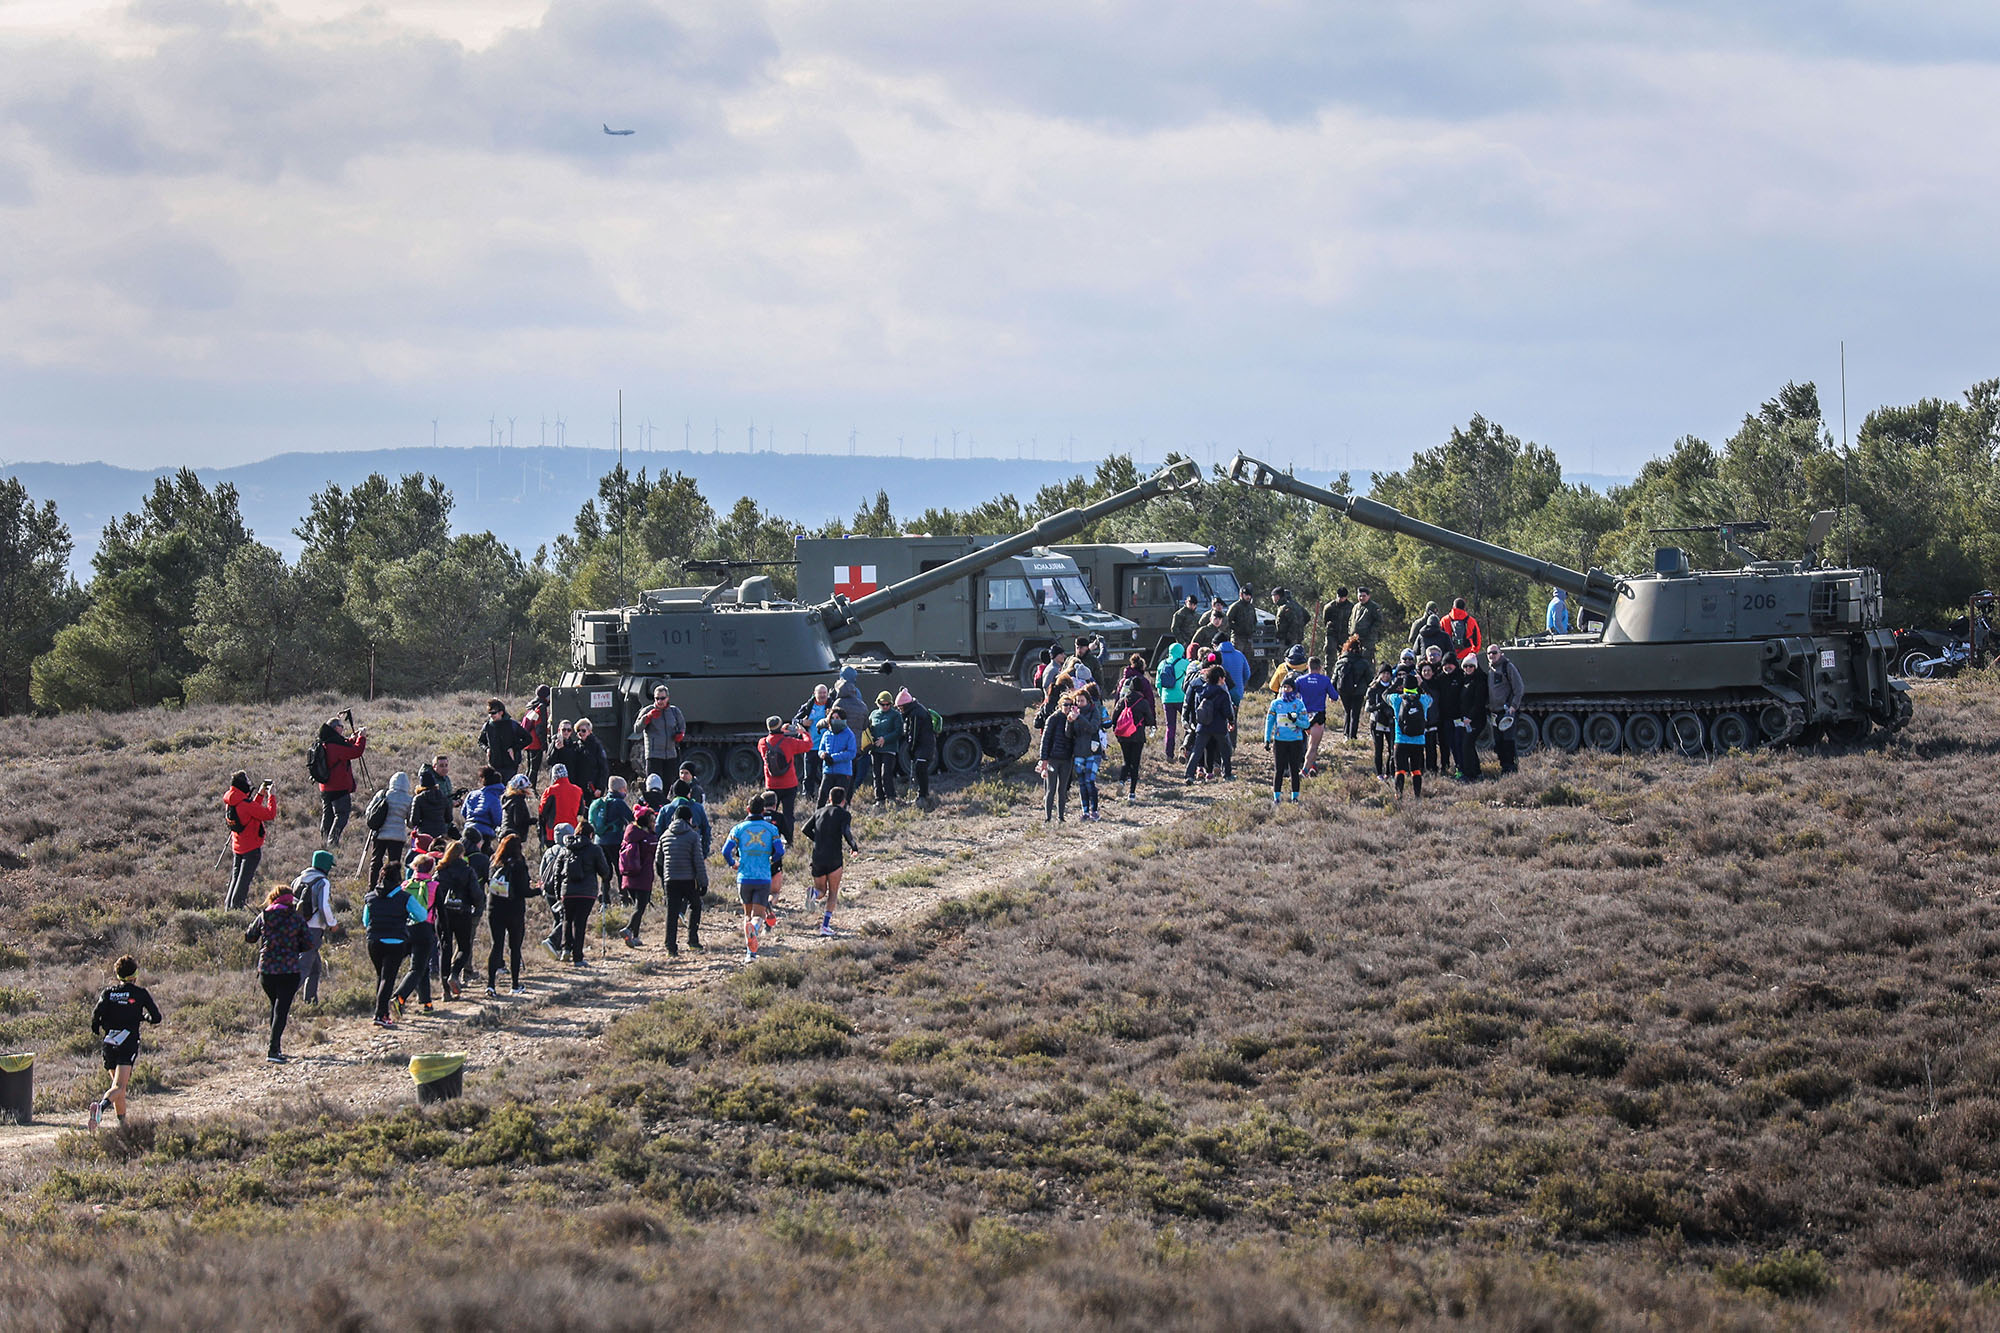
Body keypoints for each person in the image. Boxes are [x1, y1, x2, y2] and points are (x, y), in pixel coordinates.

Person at [88, 955, 160, 1128]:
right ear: (135, 974)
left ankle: (123, 1125)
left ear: (117, 975)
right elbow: (156, 1017)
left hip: (109, 1043)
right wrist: (144, 1017)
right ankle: (101, 1107)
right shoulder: (140, 994)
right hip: (127, 1043)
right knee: (119, 1086)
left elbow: (95, 1017)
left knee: (118, 1087)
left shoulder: (109, 993)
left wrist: (98, 1027)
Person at [243, 881, 309, 1063]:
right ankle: (273, 1051)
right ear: (291, 901)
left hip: (267, 970)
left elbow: (249, 937)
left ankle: (276, 1047)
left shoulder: (264, 915)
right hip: (289, 970)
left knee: (276, 1006)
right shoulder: (296, 918)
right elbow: (308, 943)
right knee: (281, 1009)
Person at [723, 800, 785, 963]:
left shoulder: (738, 828)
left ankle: (749, 954)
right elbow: (780, 850)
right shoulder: (771, 829)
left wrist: (733, 863)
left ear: (748, 809)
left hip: (744, 877)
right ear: (763, 811)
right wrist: (772, 859)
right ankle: (755, 931)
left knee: (747, 915)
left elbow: (725, 850)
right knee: (759, 915)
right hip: (763, 877)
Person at [362, 870, 425, 1028]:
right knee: (388, 979)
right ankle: (381, 1015)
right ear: (399, 880)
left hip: (374, 942)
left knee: (381, 977)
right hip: (395, 942)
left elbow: (365, 921)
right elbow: (422, 916)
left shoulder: (370, 897)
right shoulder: (404, 897)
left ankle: (380, 1011)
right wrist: (408, 917)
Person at [801, 789, 860, 936]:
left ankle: (813, 894)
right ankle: (825, 926)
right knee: (833, 893)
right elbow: (846, 831)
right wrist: (854, 846)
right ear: (843, 801)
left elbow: (805, 829)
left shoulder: (819, 812)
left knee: (821, 891)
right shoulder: (844, 814)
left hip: (818, 857)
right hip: (834, 857)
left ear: (829, 798)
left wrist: (818, 840)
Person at [654, 799, 708, 956]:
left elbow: (658, 860)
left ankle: (670, 946)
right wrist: (703, 883)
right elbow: (698, 861)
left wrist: (664, 877)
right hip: (688, 880)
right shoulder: (692, 836)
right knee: (696, 905)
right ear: (689, 819)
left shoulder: (664, 835)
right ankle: (693, 940)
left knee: (671, 913)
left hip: (670, 880)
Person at [435, 839, 485, 998]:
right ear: (461, 854)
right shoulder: (468, 871)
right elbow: (477, 894)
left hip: (443, 915)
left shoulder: (440, 871)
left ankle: (445, 991)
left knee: (445, 949)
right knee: (464, 947)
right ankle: (454, 974)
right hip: (462, 914)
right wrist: (477, 908)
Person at [391, 855, 441, 1015]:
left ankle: (426, 1003)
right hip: (424, 930)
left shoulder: (405, 885)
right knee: (417, 968)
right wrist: (442, 932)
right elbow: (442, 912)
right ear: (431, 868)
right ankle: (399, 998)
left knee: (422, 965)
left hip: (406, 928)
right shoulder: (434, 885)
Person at [222, 770, 278, 911]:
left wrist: (260, 794)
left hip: (238, 846)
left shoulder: (231, 800)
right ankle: (236, 910)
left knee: (235, 879)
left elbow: (251, 812)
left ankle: (228, 908)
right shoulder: (245, 804)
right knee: (243, 882)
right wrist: (272, 796)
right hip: (251, 849)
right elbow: (269, 814)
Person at [558, 822, 611, 966]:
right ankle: (578, 957)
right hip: (586, 892)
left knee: (567, 920)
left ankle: (565, 950)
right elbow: (604, 871)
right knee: (580, 924)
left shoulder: (565, 849)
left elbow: (558, 872)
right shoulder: (594, 849)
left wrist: (559, 893)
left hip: (567, 891)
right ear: (591, 835)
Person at [485, 833, 531, 995]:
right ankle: (515, 985)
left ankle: (490, 984)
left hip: (494, 909)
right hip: (514, 910)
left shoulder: (494, 863)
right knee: (515, 948)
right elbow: (524, 891)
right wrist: (539, 889)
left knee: (496, 946)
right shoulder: (519, 865)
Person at [314, 714, 368, 847]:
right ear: (335, 728)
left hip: (325, 787)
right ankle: (333, 842)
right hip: (339, 787)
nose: (343, 729)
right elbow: (356, 752)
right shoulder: (335, 745)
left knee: (328, 815)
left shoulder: (325, 742)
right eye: (341, 726)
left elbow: (344, 746)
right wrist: (362, 738)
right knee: (342, 814)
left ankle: (324, 841)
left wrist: (352, 739)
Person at [294, 849, 338, 1005]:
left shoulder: (298, 879)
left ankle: (311, 1002)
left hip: (296, 927)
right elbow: (324, 906)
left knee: (315, 967)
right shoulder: (323, 882)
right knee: (305, 967)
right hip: (313, 929)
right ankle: (285, 999)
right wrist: (332, 924)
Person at [760, 717, 814, 833]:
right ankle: (788, 839)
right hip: (789, 784)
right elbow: (808, 745)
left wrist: (780, 731)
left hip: (771, 785)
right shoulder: (789, 742)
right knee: (788, 814)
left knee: (769, 813)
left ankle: (768, 836)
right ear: (780, 727)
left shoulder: (762, 743)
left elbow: (773, 739)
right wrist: (803, 732)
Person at [1183, 664, 1235, 782]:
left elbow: (1196, 709)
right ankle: (1227, 774)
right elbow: (1227, 712)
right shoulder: (1223, 694)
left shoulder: (1200, 691)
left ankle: (1189, 775)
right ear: (1220, 678)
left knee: (1197, 751)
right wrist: (1231, 721)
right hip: (1219, 727)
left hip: (1203, 726)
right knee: (1225, 750)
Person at [1264, 677, 1310, 803]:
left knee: (1294, 770)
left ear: (1294, 689)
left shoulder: (1299, 704)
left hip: (1296, 741)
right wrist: (1267, 739)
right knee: (1278, 770)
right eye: (1284, 687)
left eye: (1288, 687)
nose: (1286, 689)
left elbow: (1306, 724)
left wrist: (1296, 721)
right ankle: (1276, 798)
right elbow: (1269, 721)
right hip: (1279, 741)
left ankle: (1295, 797)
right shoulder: (1275, 704)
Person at [365, 771, 413, 891]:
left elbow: (369, 811)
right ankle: (393, 888)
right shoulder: (409, 799)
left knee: (376, 862)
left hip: (380, 834)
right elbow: (411, 822)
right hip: (398, 837)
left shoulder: (383, 794)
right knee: (394, 864)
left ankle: (372, 887)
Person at [618, 808, 659, 946]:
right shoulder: (647, 838)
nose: (654, 822)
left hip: (628, 877)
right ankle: (628, 929)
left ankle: (634, 937)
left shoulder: (630, 834)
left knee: (637, 906)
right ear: (646, 822)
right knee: (640, 907)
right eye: (652, 820)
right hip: (643, 877)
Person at [1486, 644, 1526, 775]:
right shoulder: (1490, 670)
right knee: (1498, 742)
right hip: (1495, 712)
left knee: (1508, 741)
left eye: (1494, 652)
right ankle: (1504, 766)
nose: (1492, 655)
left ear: (1500, 653)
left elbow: (1519, 688)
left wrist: (1513, 706)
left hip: (1507, 711)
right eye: (1489, 653)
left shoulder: (1507, 667)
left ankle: (1511, 768)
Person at [636, 686, 687, 788]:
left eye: (662, 698)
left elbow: (682, 726)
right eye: (657, 698)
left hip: (670, 754)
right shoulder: (648, 710)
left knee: (668, 783)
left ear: (668, 698)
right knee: (654, 785)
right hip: (654, 755)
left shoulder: (674, 711)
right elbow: (637, 728)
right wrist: (647, 717)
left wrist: (680, 734)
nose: (659, 701)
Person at [1039, 691, 1078, 822]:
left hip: (1066, 759)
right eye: (1065, 705)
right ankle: (1047, 818)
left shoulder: (1073, 719)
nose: (1068, 707)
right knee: (1051, 789)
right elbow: (1045, 740)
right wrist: (1043, 759)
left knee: (1062, 790)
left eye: (1070, 705)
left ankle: (1061, 817)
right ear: (1060, 705)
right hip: (1053, 759)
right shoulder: (1053, 719)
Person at [1293, 653, 1335, 776]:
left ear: (1307, 666)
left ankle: (1310, 766)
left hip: (1303, 715)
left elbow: (1292, 695)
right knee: (1313, 746)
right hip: (1318, 716)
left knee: (1302, 743)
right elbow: (1335, 696)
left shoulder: (1300, 680)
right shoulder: (1325, 680)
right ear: (1320, 667)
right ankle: (1305, 771)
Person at [897, 688, 937, 808]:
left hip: (923, 747)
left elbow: (913, 734)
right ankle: (922, 795)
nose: (899, 710)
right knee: (920, 770)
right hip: (925, 746)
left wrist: (911, 748)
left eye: (900, 707)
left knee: (920, 770)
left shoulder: (915, 714)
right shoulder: (917, 710)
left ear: (905, 705)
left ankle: (923, 795)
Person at [1392, 679, 1432, 799]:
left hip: (1401, 740)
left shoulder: (1396, 699)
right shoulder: (1424, 700)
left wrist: (1395, 684)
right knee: (1416, 770)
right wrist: (1423, 684)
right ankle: (1417, 796)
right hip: (1419, 741)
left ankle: (1399, 795)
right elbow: (1431, 697)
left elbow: (1384, 695)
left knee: (1400, 770)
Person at [1072, 687, 1106, 822]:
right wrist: (1070, 722)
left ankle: (1094, 810)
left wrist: (1079, 718)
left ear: (1087, 701)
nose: (1080, 703)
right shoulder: (1074, 714)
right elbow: (1071, 734)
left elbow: (1093, 727)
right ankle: (1085, 811)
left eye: (1082, 700)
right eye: (1077, 701)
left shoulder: (1094, 712)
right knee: (1081, 783)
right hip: (1079, 751)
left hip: (1093, 752)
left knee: (1089, 781)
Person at [793, 683, 834, 794]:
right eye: (820, 693)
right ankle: (808, 796)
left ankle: (826, 795)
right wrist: (803, 722)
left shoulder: (832, 705)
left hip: (827, 746)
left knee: (827, 774)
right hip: (811, 746)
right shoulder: (808, 706)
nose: (822, 695)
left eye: (824, 693)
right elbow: (795, 720)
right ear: (814, 694)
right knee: (809, 775)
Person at [815, 707, 858, 807]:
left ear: (843, 719)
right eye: (832, 718)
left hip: (843, 772)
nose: (835, 720)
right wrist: (823, 754)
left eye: (837, 718)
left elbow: (851, 753)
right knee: (822, 796)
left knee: (841, 799)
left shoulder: (849, 734)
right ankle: (819, 817)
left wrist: (834, 758)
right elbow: (821, 749)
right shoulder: (826, 734)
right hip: (828, 771)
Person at [864, 695, 903, 805]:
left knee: (886, 774)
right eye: (883, 704)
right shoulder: (873, 714)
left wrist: (885, 739)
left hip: (889, 749)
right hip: (875, 749)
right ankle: (879, 799)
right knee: (876, 774)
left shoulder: (895, 715)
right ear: (878, 703)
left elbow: (898, 731)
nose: (885, 706)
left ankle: (891, 797)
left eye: (888, 704)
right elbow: (869, 728)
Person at [588, 776, 635, 866]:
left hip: (599, 841)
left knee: (605, 872)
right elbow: (631, 819)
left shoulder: (598, 802)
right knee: (620, 869)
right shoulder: (619, 803)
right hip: (615, 840)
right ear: (621, 789)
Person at [1456, 652, 1488, 781]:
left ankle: (1471, 774)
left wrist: (1470, 717)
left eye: (1471, 666)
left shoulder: (1480, 681)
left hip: (1476, 719)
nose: (1468, 669)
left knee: (1467, 744)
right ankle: (1475, 771)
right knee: (1468, 745)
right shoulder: (1464, 680)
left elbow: (1479, 702)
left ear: (1475, 667)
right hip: (1466, 720)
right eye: (1466, 666)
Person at [1155, 642, 1187, 761]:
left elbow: (1158, 684)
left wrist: (1163, 696)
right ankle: (1185, 750)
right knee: (1187, 725)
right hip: (1182, 698)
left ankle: (1169, 754)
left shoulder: (1162, 664)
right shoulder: (1185, 663)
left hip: (1167, 699)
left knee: (1170, 727)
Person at [537, 764, 584, 845]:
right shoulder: (578, 790)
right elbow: (581, 811)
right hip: (572, 830)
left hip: (553, 832)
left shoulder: (550, 791)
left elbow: (542, 811)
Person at [1365, 664, 1396, 780]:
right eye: (1384, 673)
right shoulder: (1373, 688)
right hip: (1376, 721)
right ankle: (1379, 773)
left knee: (1392, 748)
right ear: (1380, 675)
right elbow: (1368, 707)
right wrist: (1380, 706)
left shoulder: (1394, 688)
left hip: (1390, 722)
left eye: (1388, 673)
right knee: (1379, 748)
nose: (1386, 676)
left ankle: (1389, 772)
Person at [569, 719, 610, 801]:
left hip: (593, 787)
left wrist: (600, 787)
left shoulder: (596, 746)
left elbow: (604, 768)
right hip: (579, 788)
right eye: (578, 731)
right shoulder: (576, 746)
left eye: (583, 731)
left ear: (590, 731)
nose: (580, 733)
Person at [410, 763, 453, 842]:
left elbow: (414, 821)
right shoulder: (443, 798)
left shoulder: (419, 799)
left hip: (424, 835)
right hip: (441, 834)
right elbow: (449, 818)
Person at [461, 766, 505, 842]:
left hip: (468, 830)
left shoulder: (472, 794)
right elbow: (498, 820)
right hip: (484, 833)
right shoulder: (494, 800)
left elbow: (463, 812)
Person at [520, 685, 552, 787]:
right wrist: (544, 743)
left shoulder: (532, 705)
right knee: (534, 769)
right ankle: (531, 790)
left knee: (530, 768)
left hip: (529, 741)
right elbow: (540, 728)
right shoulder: (541, 707)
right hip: (536, 742)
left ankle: (525, 789)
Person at [1442, 597, 1482, 661]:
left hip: (1449, 655)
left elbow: (1440, 637)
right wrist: (1474, 651)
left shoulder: (1444, 620)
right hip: (1467, 655)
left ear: (1453, 607)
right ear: (1464, 608)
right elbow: (1477, 639)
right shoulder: (1471, 621)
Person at [1348, 587, 1382, 659]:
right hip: (1355, 639)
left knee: (1366, 659)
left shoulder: (1373, 607)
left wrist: (1370, 632)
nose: (1361, 598)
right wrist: (1350, 631)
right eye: (1360, 596)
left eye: (1364, 596)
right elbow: (1351, 620)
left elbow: (1379, 621)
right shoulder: (1355, 607)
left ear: (1368, 596)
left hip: (1368, 640)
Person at [1273, 588, 1308, 655]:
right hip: (1297, 637)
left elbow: (1293, 622)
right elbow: (1307, 616)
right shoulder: (1296, 605)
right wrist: (1300, 627)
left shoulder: (1286, 607)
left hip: (1288, 639)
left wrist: (1289, 635)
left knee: (1286, 656)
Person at [501, 773, 534, 843]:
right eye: (527, 787)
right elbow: (518, 821)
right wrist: (531, 821)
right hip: (513, 837)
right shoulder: (518, 801)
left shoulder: (509, 799)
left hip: (506, 835)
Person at [1321, 588, 1353, 661]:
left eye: (1342, 597)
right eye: (1338, 596)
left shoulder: (1351, 607)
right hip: (1332, 634)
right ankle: (1328, 672)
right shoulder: (1329, 607)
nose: (1340, 599)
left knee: (1345, 656)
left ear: (1346, 597)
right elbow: (1325, 620)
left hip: (1345, 635)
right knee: (1330, 654)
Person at [1227, 586, 1259, 655]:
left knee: (1249, 659)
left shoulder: (1251, 607)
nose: (1248, 597)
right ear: (1241, 595)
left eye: (1249, 595)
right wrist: (1237, 629)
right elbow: (1227, 621)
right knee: (1237, 657)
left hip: (1248, 638)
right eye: (1246, 595)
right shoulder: (1235, 606)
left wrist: (1252, 629)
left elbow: (1254, 620)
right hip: (1238, 638)